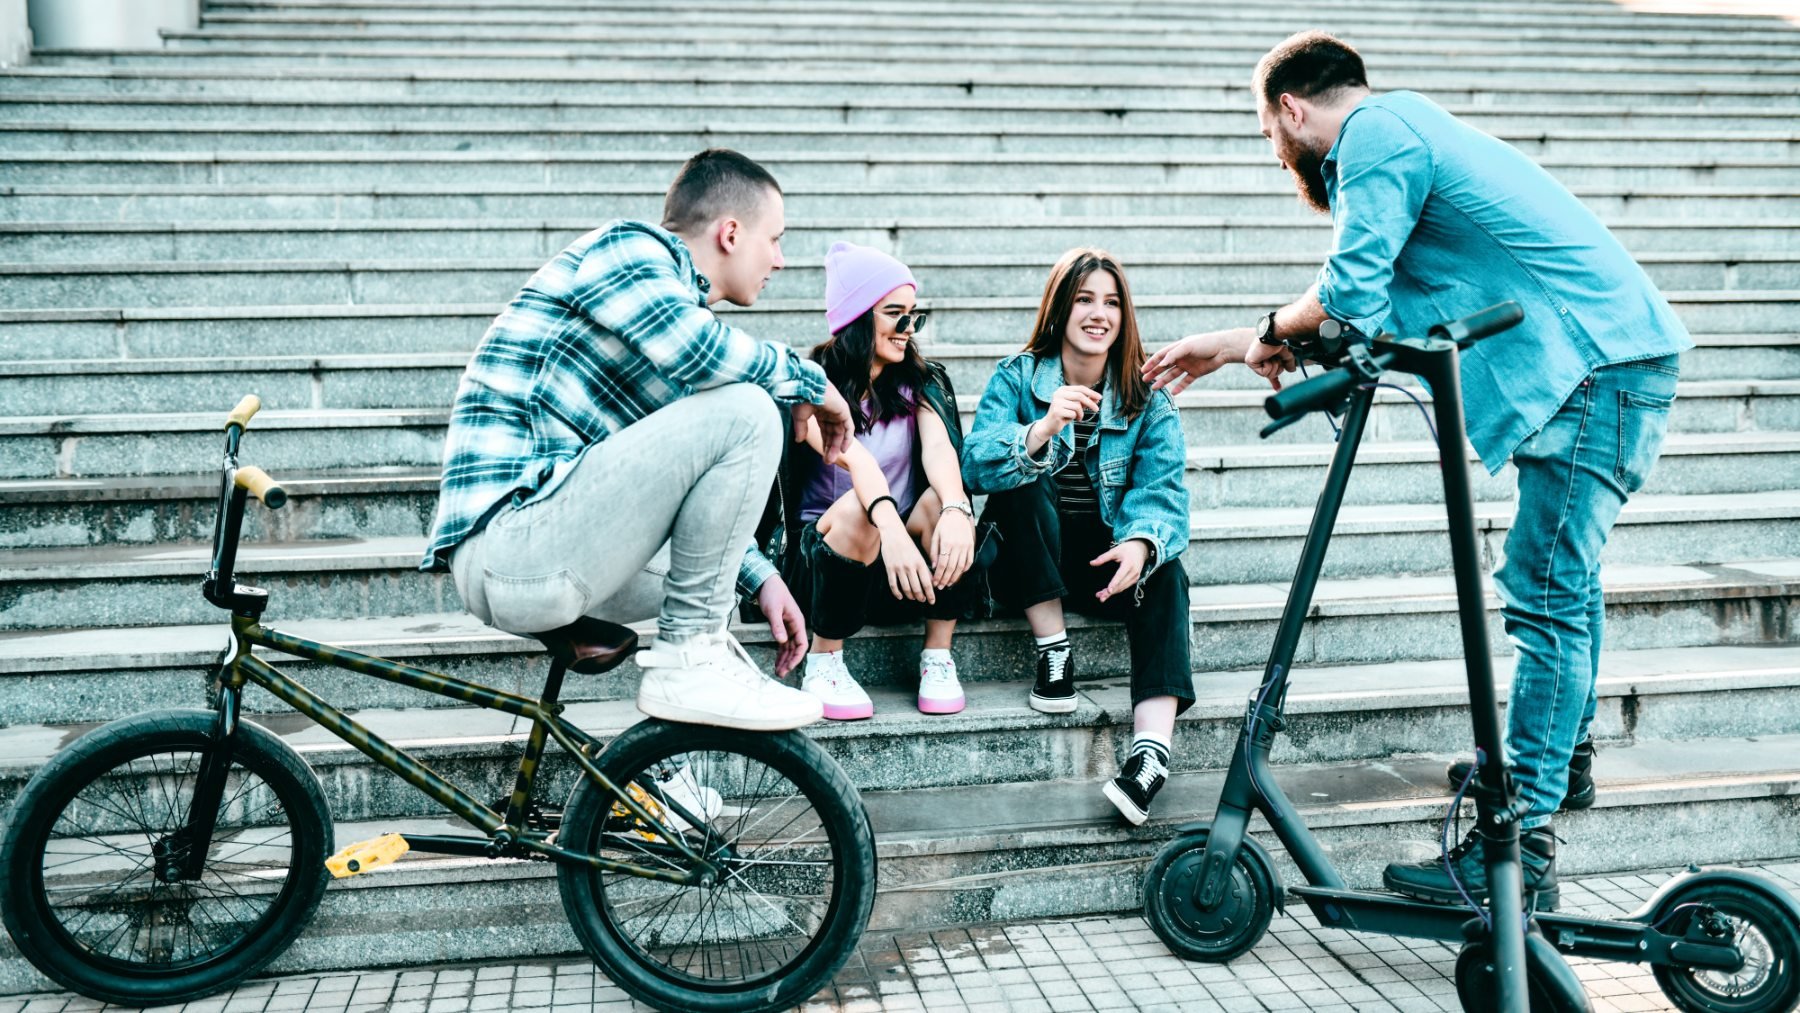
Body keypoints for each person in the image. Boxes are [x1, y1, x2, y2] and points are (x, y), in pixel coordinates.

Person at [1142, 32, 1691, 907]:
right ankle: (1557, 759)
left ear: (1290, 109)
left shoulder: (1374, 139)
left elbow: (1351, 291)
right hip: (1609, 365)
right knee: (1562, 579)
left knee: (1545, 588)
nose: (1274, 150)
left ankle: (1525, 839)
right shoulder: (1408, 134)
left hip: (1597, 369)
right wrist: (1231, 343)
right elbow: (1368, 310)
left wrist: (1271, 331)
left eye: (1266, 131)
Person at [421, 148, 855, 733]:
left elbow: (689, 489)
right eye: (774, 239)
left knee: (716, 569)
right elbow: (697, 349)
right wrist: (813, 380)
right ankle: (686, 664)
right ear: (730, 233)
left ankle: (665, 766)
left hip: (555, 546)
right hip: (510, 544)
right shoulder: (630, 249)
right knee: (749, 408)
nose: (779, 260)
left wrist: (763, 578)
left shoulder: (663, 323)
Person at [963, 247, 1193, 825]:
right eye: (1085, 299)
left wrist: (1141, 544)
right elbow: (974, 467)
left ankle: (1150, 757)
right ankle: (1054, 653)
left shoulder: (1148, 399)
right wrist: (1041, 430)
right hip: (1030, 556)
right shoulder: (1017, 376)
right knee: (1020, 484)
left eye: (1112, 302)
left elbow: (1162, 494)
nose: (1099, 313)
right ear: (1061, 308)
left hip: (1102, 561)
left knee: (1168, 568)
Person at [758, 242, 988, 719]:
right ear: (859, 317)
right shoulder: (812, 387)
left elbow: (942, 449)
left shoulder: (920, 382)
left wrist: (955, 509)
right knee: (858, 511)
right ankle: (823, 661)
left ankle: (938, 654)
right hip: (824, 565)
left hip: (902, 568)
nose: (908, 329)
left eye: (913, 316)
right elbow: (857, 462)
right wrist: (893, 531)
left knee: (944, 504)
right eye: (895, 314)